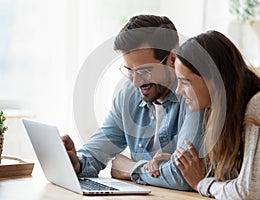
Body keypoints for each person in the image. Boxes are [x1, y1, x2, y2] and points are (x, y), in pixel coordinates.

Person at [62, 14, 203, 191]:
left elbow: (183, 176)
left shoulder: (194, 96)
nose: (136, 82)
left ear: (172, 60)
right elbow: (97, 151)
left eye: (144, 71)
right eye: (129, 71)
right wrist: (76, 162)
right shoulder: (129, 94)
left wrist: (131, 169)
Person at [173, 30, 260, 199]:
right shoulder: (223, 111)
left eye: (185, 82)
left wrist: (201, 183)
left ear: (213, 77)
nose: (178, 90)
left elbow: (249, 192)